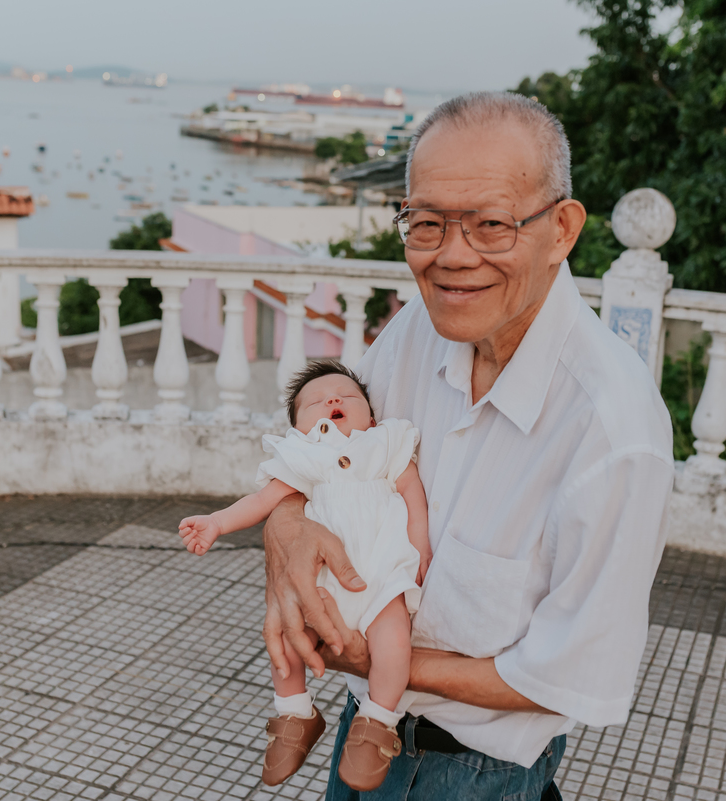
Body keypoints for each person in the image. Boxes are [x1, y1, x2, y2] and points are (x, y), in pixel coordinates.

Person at [262, 91, 675, 800]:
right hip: (366, 733)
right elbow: (330, 448)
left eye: (491, 225)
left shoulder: (613, 433)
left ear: (563, 228)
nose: (452, 259)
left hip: (478, 777)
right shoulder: (417, 332)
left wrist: (378, 657)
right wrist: (285, 526)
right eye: (425, 224)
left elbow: (568, 674)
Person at [179, 361, 433, 790]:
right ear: (299, 429)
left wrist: (420, 543)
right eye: (316, 401)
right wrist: (218, 522)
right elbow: (262, 501)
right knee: (285, 635)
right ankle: (294, 711)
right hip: (321, 582)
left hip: (382, 574)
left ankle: (377, 723)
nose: (332, 400)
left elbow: (413, 492)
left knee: (394, 644)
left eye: (346, 395)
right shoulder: (303, 459)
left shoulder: (384, 443)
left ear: (370, 416)